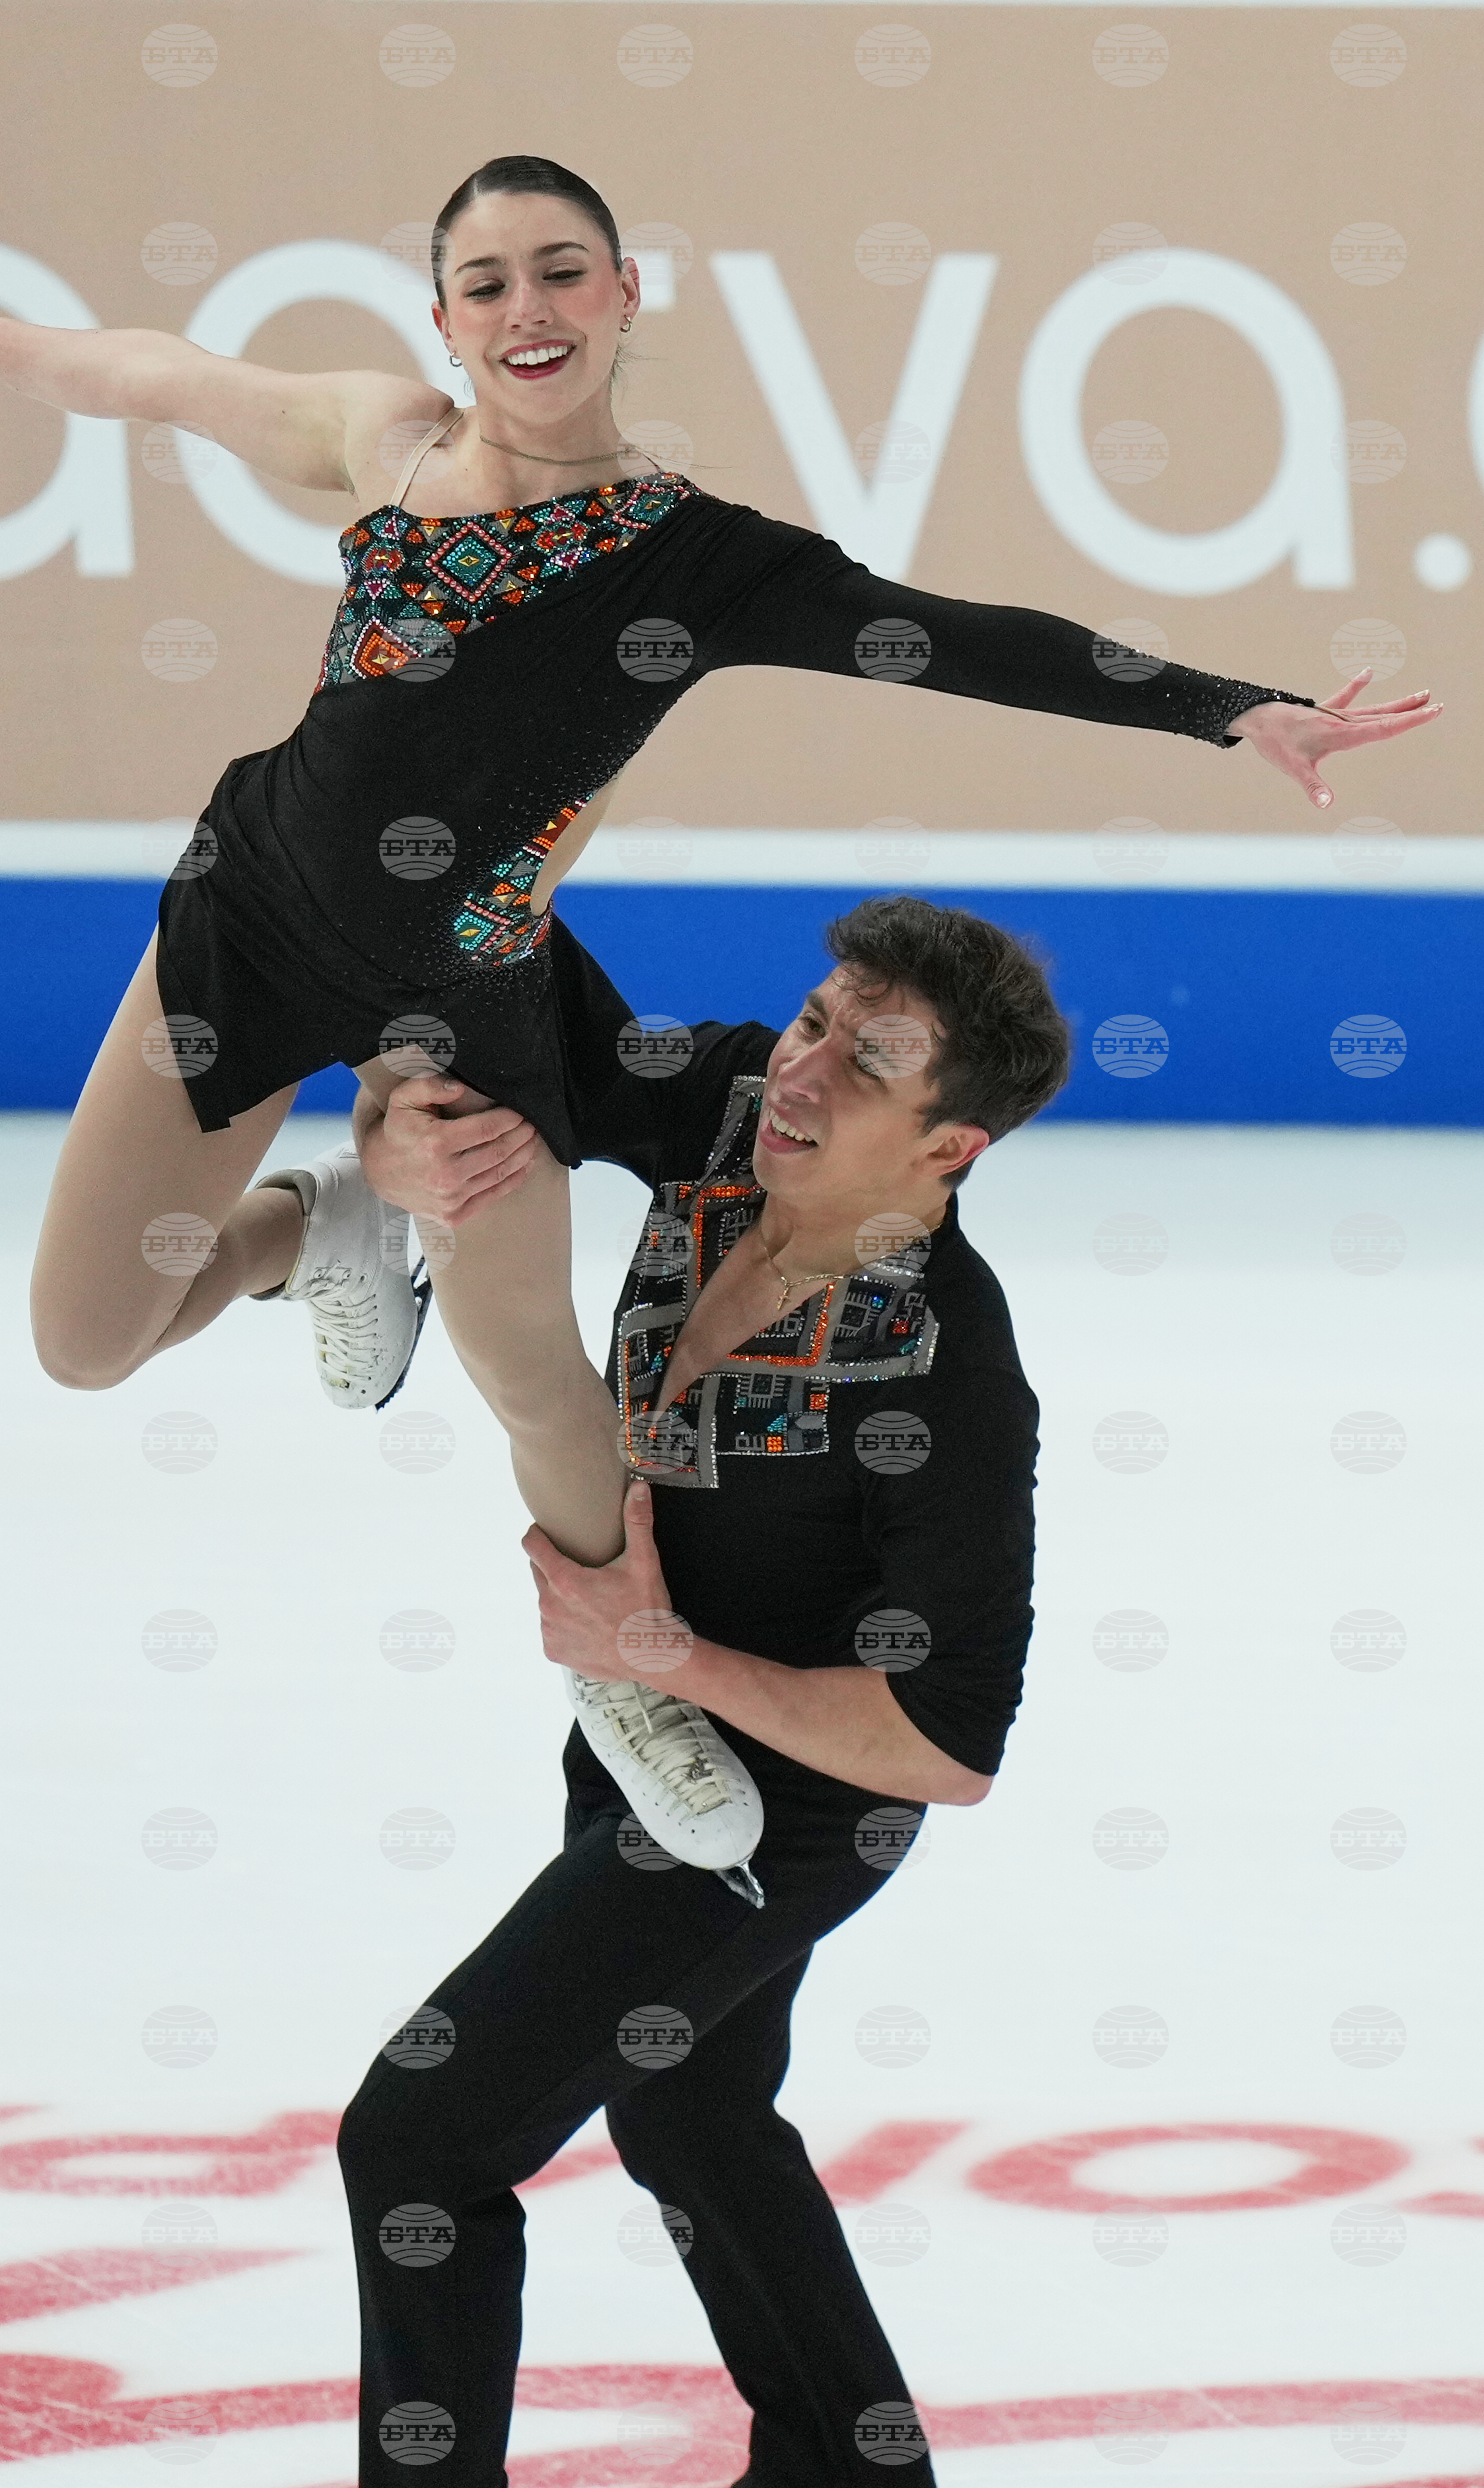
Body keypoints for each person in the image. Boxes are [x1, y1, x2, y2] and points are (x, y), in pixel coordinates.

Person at [0, 152, 1440, 1872]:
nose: (525, 312)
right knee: (91, 1339)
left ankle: (619, 1674)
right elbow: (162, 380)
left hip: (467, 990)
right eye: (487, 283)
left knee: (533, 1378)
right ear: (444, 317)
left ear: (626, 296)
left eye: (563, 274)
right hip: (248, 917)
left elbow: (960, 634)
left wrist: (1232, 713)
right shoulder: (384, 442)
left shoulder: (704, 562)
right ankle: (320, 1228)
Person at [330, 892, 1057, 2485]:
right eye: (811, 1023)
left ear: (951, 1149)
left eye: (868, 1064)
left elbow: (940, 1747)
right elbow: (510, 976)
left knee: (418, 2143)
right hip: (633, 1738)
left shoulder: (943, 1375)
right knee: (691, 2113)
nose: (799, 1076)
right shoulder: (734, 1110)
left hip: (786, 1814)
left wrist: (667, 1657)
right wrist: (395, 1123)